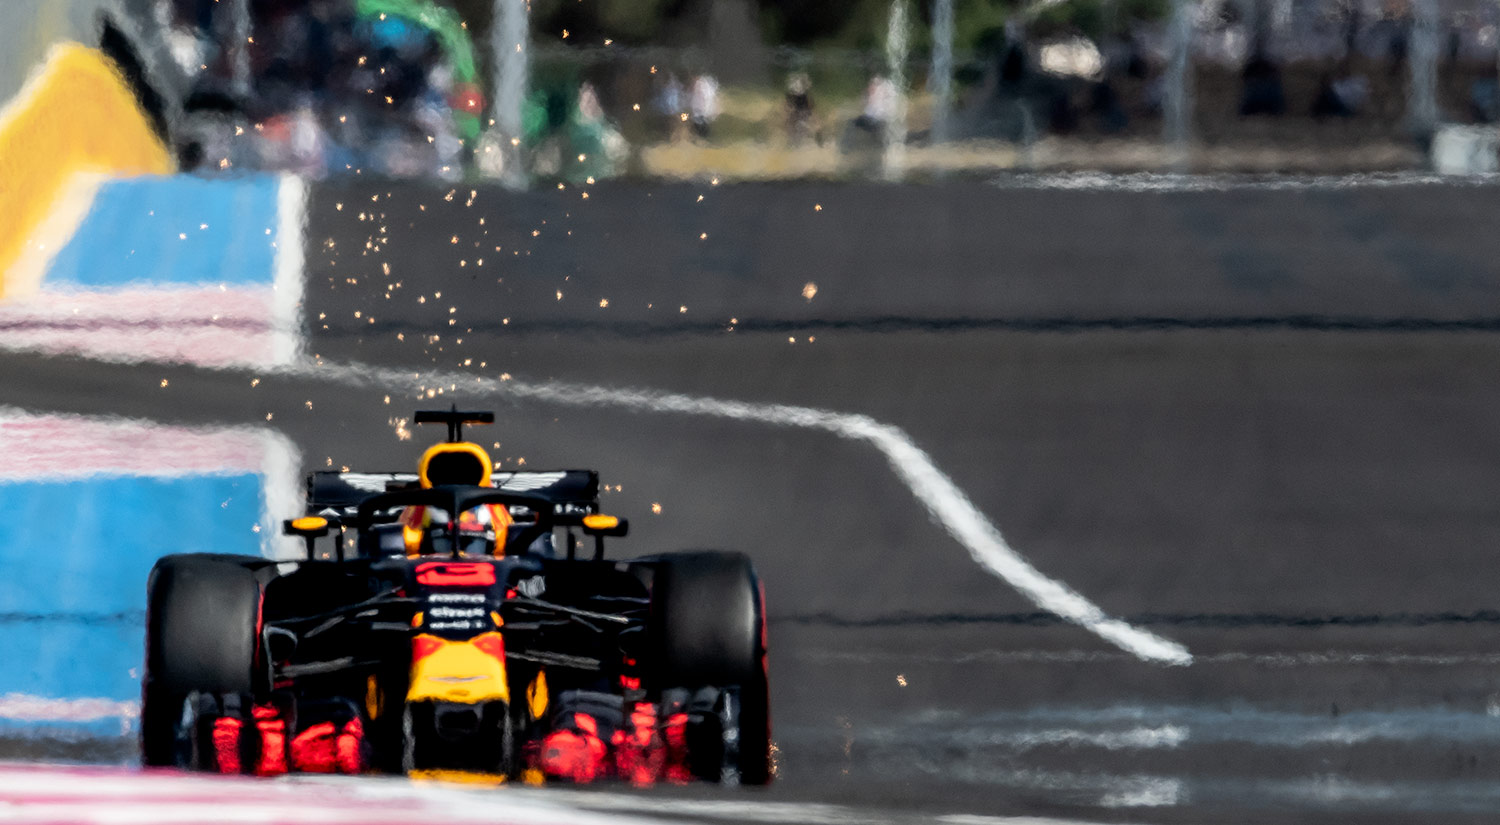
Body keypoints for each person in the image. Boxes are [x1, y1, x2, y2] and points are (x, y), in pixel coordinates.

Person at [398, 442, 513, 557]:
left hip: (483, 566)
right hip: (434, 566)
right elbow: (402, 543)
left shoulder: (492, 507)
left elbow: (508, 542)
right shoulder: (420, 506)